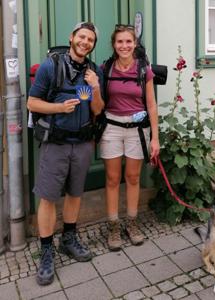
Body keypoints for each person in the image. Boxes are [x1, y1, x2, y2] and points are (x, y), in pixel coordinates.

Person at [27, 22, 104, 285]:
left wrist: (95, 87)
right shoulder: (51, 65)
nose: (85, 42)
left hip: (82, 143)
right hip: (56, 143)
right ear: (72, 37)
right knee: (48, 197)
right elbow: (31, 102)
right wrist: (59, 109)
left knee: (75, 193)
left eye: (90, 40)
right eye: (81, 37)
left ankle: (68, 238)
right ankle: (46, 249)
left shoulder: (94, 71)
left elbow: (97, 110)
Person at [100, 25, 160, 251]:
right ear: (114, 45)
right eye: (119, 42)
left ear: (134, 44)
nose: (124, 46)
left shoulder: (144, 69)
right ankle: (114, 226)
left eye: (128, 42)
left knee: (133, 177)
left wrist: (155, 138)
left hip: (137, 130)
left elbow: (152, 105)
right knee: (113, 179)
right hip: (112, 128)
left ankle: (132, 223)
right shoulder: (106, 68)